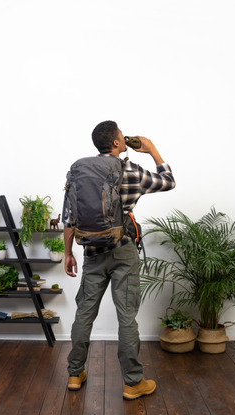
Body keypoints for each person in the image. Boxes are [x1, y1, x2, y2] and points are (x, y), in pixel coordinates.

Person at [63, 120, 176, 400]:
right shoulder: (130, 170)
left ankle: (75, 374)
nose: (124, 140)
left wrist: (67, 253)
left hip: (91, 252)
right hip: (124, 250)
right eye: (121, 137)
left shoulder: (80, 171)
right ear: (115, 143)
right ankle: (132, 382)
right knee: (127, 316)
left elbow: (69, 217)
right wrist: (151, 150)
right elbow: (168, 182)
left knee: (84, 313)